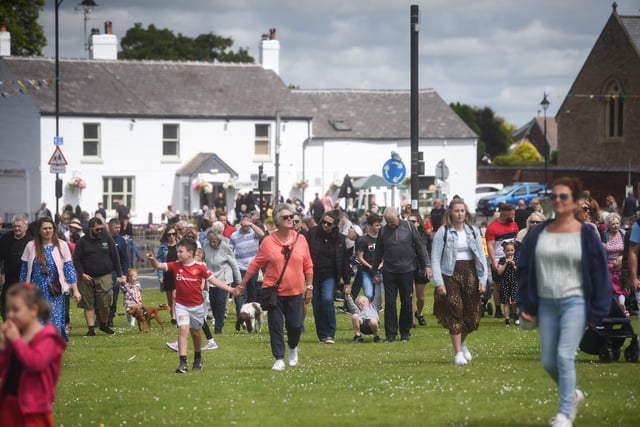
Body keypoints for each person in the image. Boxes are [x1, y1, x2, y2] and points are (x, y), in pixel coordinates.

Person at [517, 177, 612, 427]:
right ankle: (572, 395)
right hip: (547, 304)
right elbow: (525, 268)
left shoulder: (586, 234)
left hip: (575, 302)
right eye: (554, 196)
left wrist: (598, 310)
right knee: (548, 361)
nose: (557, 201)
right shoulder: (539, 233)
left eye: (564, 197)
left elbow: (599, 272)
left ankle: (563, 414)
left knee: (564, 356)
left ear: (575, 202)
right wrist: (526, 303)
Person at [236, 203, 313, 371]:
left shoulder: (301, 240)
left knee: (294, 326)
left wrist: (310, 287)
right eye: (286, 217)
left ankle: (292, 348)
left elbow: (308, 265)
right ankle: (279, 358)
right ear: (277, 221)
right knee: (276, 326)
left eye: (292, 216)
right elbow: (255, 264)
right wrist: (242, 285)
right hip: (273, 291)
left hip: (295, 291)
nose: (290, 219)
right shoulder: (268, 242)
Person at [147, 238, 236, 373]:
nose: (178, 254)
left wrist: (231, 290)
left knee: (195, 333)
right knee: (183, 330)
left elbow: (214, 281)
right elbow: (158, 266)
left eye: (180, 251)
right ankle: (182, 362)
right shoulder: (175, 265)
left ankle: (198, 357)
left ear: (190, 253)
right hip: (181, 306)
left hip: (197, 307)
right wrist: (152, 259)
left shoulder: (200, 267)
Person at [0, 283, 67, 426]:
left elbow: (36, 363)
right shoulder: (17, 335)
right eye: (8, 310)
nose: (10, 315)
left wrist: (17, 341)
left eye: (16, 310)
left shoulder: (48, 337)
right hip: (9, 403)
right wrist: (5, 347)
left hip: (33, 407)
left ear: (33, 310)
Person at [431, 198, 487, 365]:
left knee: (473, 316)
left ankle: (462, 343)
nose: (460, 214)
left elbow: (481, 257)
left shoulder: (473, 231)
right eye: (456, 211)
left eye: (462, 210)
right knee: (455, 311)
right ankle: (457, 354)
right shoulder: (443, 232)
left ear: (466, 212)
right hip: (450, 274)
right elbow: (434, 258)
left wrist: (483, 278)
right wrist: (438, 282)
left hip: (471, 272)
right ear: (450, 213)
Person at [372, 207, 431, 342]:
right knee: (390, 304)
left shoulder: (410, 227)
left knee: (406, 302)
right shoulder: (383, 231)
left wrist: (427, 265)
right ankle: (391, 334)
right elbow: (378, 253)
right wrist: (374, 271)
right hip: (389, 272)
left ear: (398, 216)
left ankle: (405, 332)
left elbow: (421, 246)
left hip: (407, 270)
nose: (390, 224)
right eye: (388, 222)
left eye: (392, 221)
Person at [19, 217, 81, 341]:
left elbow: (69, 269)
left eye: (50, 228)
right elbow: (24, 271)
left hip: (55, 292)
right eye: (44, 228)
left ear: (54, 229)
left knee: (55, 323)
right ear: (39, 231)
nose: (48, 231)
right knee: (38, 322)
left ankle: (53, 350)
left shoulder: (62, 245)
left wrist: (75, 290)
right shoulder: (31, 246)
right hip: (35, 292)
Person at [73, 217, 126, 336]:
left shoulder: (107, 238)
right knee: (88, 304)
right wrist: (82, 274)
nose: (100, 232)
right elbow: (76, 260)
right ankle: (91, 329)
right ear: (90, 229)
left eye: (101, 229)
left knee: (105, 303)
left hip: (105, 275)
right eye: (97, 230)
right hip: (87, 277)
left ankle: (103, 324)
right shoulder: (82, 242)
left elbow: (115, 256)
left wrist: (119, 274)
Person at [304, 210, 351, 344]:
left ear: (335, 225)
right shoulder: (312, 234)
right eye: (323, 222)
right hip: (313, 274)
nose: (325, 225)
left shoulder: (340, 239)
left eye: (329, 224)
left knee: (327, 299)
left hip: (330, 275)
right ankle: (322, 335)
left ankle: (330, 334)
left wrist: (347, 282)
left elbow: (344, 262)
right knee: (317, 304)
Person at [204, 230, 241, 334]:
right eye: (211, 241)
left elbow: (234, 264)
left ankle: (218, 328)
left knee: (220, 303)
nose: (213, 244)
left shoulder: (225, 246)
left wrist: (239, 281)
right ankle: (218, 320)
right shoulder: (205, 245)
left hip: (223, 278)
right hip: (211, 278)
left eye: (215, 242)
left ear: (219, 240)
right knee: (213, 302)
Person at [485, 203, 519, 319]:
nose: (513, 217)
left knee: (513, 284)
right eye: (512, 214)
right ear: (504, 213)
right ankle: (498, 309)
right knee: (498, 285)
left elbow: (515, 241)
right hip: (499, 258)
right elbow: (490, 246)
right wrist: (494, 262)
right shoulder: (492, 227)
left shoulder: (514, 225)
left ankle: (512, 310)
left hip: (512, 257)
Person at [0, 214, 32, 320]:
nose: (16, 228)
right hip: (9, 278)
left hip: (26, 279)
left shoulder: (31, 241)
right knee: (5, 306)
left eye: (19, 226)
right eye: (15, 226)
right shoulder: (6, 239)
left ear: (25, 227)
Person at [229, 214, 265, 305]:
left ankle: (250, 315)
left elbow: (262, 234)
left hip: (252, 268)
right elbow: (230, 250)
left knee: (252, 293)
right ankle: (241, 314)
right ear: (240, 223)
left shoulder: (254, 233)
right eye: (244, 223)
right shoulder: (234, 235)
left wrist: (251, 225)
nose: (245, 226)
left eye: (247, 223)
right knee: (241, 293)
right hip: (240, 268)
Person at [356, 213, 384, 310]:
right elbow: (360, 257)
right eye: (376, 225)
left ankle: (374, 316)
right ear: (369, 225)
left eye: (380, 225)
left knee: (378, 296)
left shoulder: (382, 239)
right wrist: (370, 266)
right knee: (368, 293)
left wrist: (380, 265)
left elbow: (385, 255)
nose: (379, 227)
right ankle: (367, 314)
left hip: (380, 271)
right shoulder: (363, 240)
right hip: (366, 271)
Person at [106, 218, 130, 328]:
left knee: (114, 296)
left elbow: (125, 258)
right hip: (104, 271)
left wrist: (124, 274)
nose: (118, 229)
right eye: (116, 227)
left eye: (119, 227)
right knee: (102, 296)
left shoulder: (121, 241)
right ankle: (99, 318)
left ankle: (110, 318)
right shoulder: (104, 239)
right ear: (110, 227)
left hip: (116, 272)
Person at [603, 213, 628, 314]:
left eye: (617, 223)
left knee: (621, 288)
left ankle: (622, 306)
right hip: (608, 266)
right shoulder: (604, 235)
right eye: (613, 224)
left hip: (621, 265)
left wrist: (621, 259)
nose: (616, 225)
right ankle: (614, 309)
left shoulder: (623, 234)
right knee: (611, 289)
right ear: (608, 225)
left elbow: (627, 250)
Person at [407, 213, 430, 327]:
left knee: (421, 297)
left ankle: (419, 313)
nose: (411, 223)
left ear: (418, 223)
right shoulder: (404, 234)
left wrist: (428, 266)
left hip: (421, 267)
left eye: (413, 221)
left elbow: (426, 252)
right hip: (408, 267)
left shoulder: (424, 235)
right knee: (411, 294)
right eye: (409, 221)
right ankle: (412, 320)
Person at [156, 225, 179, 325]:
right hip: (167, 273)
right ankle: (172, 315)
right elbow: (159, 261)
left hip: (178, 273)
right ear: (166, 236)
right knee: (169, 297)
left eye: (173, 234)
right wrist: (160, 275)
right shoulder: (162, 247)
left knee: (175, 296)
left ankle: (175, 316)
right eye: (169, 235)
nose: (172, 236)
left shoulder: (180, 245)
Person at [495, 241, 519, 326]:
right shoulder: (502, 260)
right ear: (504, 251)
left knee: (514, 301)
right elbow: (499, 272)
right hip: (505, 282)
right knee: (506, 302)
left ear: (514, 250)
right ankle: (507, 319)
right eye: (508, 250)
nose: (510, 252)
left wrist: (513, 265)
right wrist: (505, 263)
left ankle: (515, 315)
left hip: (514, 282)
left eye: (512, 250)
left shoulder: (516, 259)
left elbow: (519, 271)